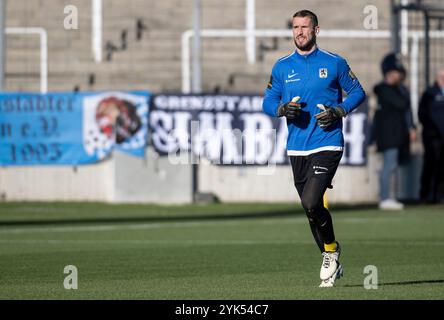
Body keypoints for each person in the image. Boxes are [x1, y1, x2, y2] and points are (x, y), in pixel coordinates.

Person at [262, 10, 365, 287]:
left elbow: (358, 92)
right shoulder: (282, 66)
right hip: (297, 148)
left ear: (316, 30)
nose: (299, 32)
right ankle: (330, 257)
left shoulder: (334, 63)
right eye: (295, 27)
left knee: (310, 201)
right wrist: (282, 109)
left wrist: (339, 110)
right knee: (311, 209)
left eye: (305, 27)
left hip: (327, 142)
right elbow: (267, 101)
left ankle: (331, 251)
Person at [372, 53, 417, 210]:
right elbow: (401, 104)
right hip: (388, 136)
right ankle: (385, 198)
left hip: (396, 135)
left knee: (392, 166)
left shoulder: (398, 90)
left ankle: (389, 197)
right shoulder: (385, 90)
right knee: (388, 166)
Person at [418, 68, 444, 203]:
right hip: (432, 137)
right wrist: (432, 130)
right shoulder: (429, 93)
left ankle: (439, 195)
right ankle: (425, 194)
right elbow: (422, 114)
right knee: (430, 164)